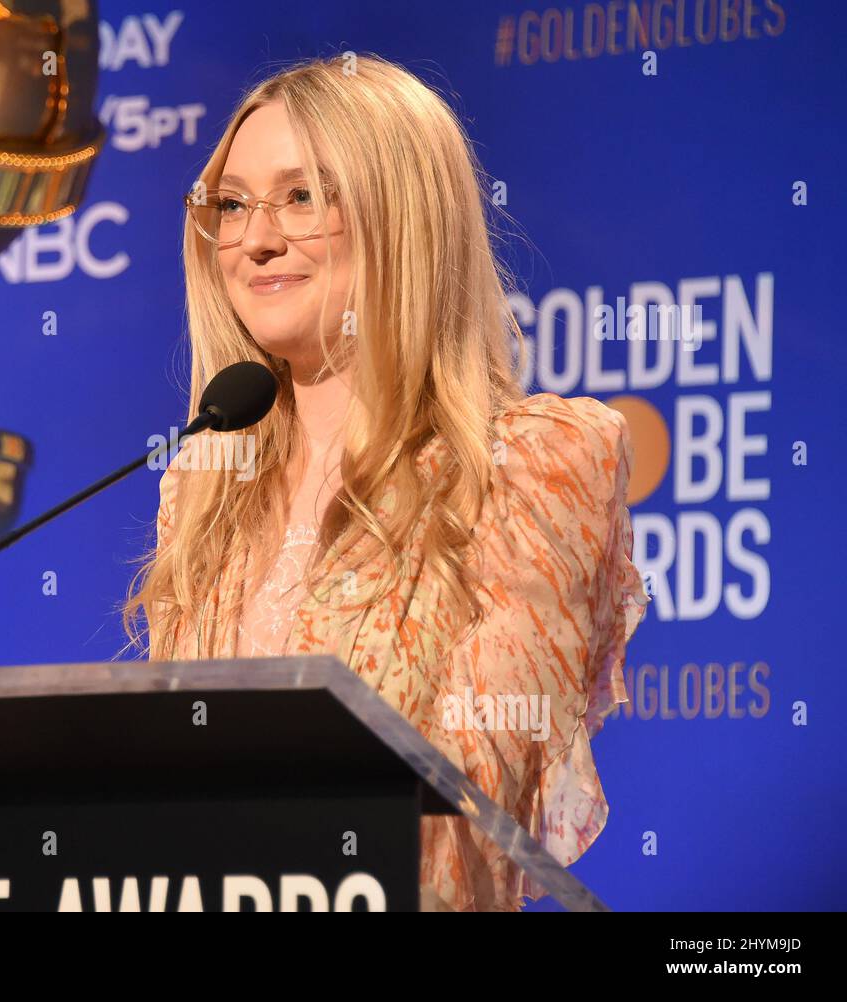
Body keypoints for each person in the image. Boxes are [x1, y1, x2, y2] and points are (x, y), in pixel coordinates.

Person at [124, 54, 648, 911]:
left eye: (301, 196)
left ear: (403, 215)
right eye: (232, 204)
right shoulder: (202, 481)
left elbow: (472, 809)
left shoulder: (535, 460)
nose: (255, 239)